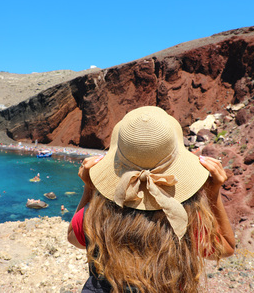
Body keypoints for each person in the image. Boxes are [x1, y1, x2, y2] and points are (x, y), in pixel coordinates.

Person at [68, 106, 235, 292]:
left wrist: (89, 188)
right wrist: (213, 193)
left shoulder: (96, 215)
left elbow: (73, 238)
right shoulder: (185, 216)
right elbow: (226, 248)